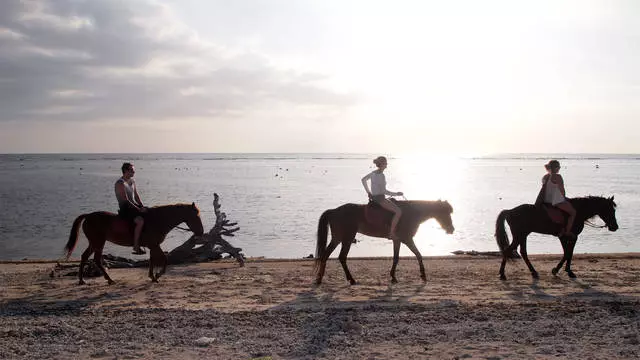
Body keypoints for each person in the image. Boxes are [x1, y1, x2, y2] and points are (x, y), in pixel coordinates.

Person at [361, 156, 404, 239]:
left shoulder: (373, 173)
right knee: (398, 211)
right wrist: (397, 194)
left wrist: (368, 192)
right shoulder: (381, 175)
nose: (386, 165)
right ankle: (391, 233)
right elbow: (384, 191)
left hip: (374, 198)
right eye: (385, 164)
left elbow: (363, 180)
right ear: (382, 164)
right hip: (380, 199)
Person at [115, 162, 147, 254]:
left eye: (134, 170)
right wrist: (138, 209)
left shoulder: (132, 181)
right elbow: (126, 200)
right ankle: (136, 246)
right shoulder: (120, 183)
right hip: (125, 209)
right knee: (140, 221)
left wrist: (141, 205)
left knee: (150, 213)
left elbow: (136, 196)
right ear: (125, 171)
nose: (134, 172)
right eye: (132, 170)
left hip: (134, 207)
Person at [541, 159, 576, 238]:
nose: (559, 168)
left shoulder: (545, 176)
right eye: (559, 167)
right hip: (555, 200)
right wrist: (564, 198)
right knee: (573, 212)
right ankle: (567, 231)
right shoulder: (557, 176)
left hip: (545, 199)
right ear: (556, 168)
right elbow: (562, 190)